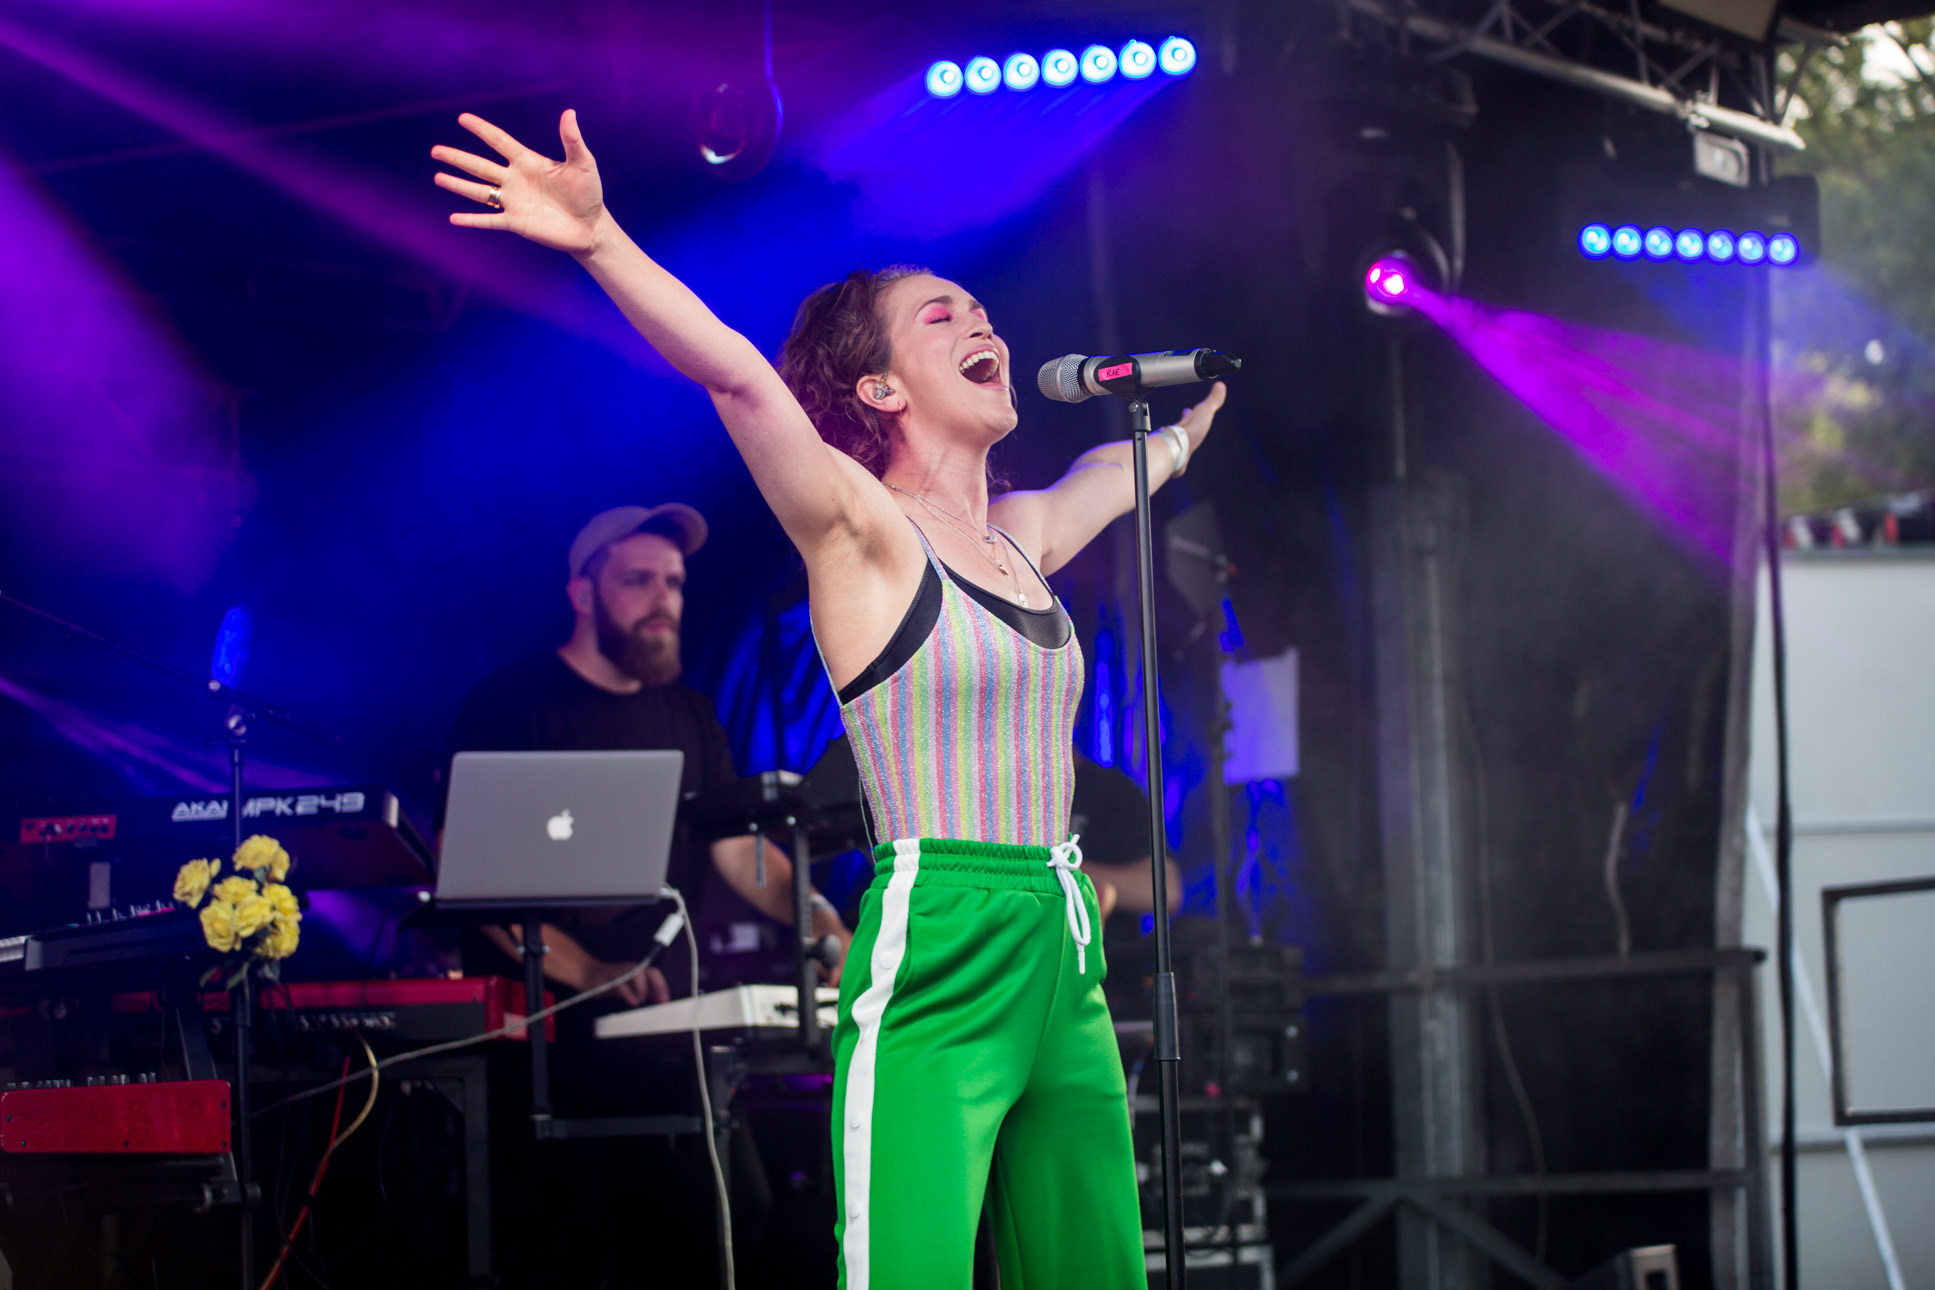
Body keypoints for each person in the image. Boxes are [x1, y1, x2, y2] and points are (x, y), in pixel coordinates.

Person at [433, 110, 1226, 1288]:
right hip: (941, 927)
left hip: (1061, 932)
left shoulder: (1019, 538)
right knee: (907, 1266)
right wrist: (600, 240)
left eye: (986, 311)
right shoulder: (862, 531)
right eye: (942, 315)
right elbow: (739, 377)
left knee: (1094, 1266)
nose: (983, 323)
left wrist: (1182, 428)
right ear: (879, 384)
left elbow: (1103, 476)